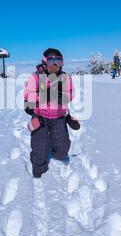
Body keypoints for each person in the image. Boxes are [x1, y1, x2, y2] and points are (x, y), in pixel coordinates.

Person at [24, 48, 80, 179]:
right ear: (44, 63)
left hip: (59, 117)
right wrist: (46, 95)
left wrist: (63, 97)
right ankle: (39, 177)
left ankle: (55, 150)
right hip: (40, 117)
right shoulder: (36, 77)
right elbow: (28, 95)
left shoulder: (65, 78)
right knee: (40, 152)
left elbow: (71, 93)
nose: (55, 66)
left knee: (62, 150)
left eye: (58, 62)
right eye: (51, 62)